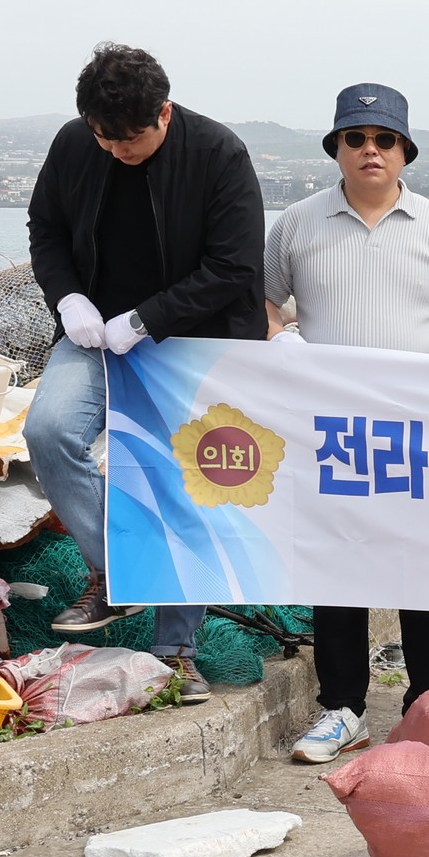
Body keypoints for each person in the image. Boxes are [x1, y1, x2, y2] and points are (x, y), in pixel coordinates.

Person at [24, 43, 265, 695]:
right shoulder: (78, 144)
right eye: (103, 137)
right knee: (48, 431)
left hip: (189, 340)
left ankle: (176, 653)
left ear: (163, 112)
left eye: (128, 140)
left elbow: (236, 267)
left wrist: (146, 319)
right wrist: (67, 295)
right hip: (93, 333)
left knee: (173, 479)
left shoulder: (219, 155)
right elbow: (45, 226)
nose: (114, 151)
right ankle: (118, 573)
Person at [266, 83, 429, 762]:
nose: (370, 150)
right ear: (337, 148)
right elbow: (262, 300)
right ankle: (343, 708)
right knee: (339, 565)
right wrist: (279, 335)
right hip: (331, 428)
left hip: (417, 425)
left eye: (384, 140)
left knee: (422, 563)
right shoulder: (300, 223)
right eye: (356, 139)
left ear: (404, 151)